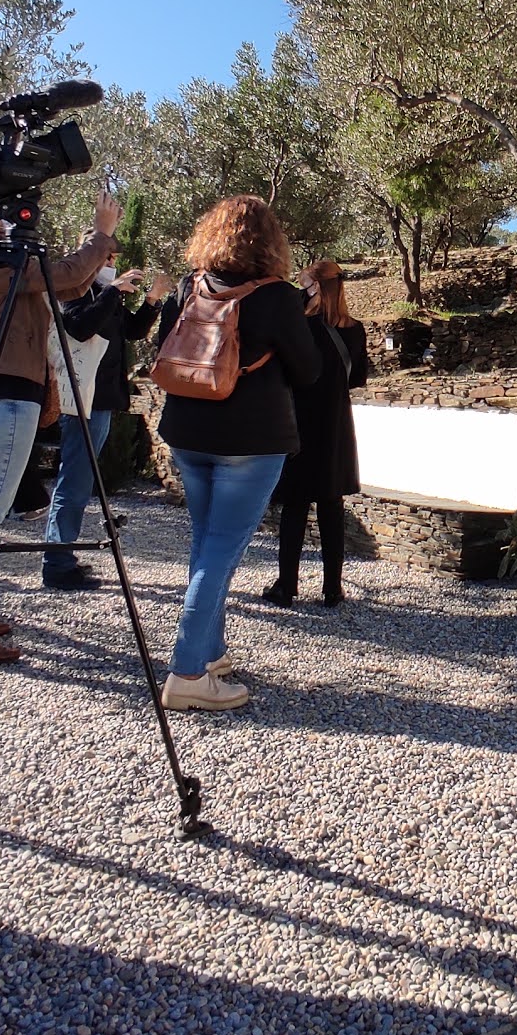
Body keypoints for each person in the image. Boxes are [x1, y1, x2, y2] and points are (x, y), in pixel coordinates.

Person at [0, 188, 119, 659]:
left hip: (8, 388)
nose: (6, 211)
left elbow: (64, 284)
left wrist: (96, 263)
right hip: (10, 390)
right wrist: (100, 234)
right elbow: (65, 274)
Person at [152, 196, 319, 710]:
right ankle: (185, 673)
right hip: (251, 440)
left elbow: (165, 347)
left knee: (206, 544)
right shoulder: (279, 297)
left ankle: (211, 653)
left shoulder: (188, 286)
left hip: (187, 431)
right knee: (221, 550)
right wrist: (301, 316)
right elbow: (308, 372)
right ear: (272, 243)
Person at [44, 265, 172, 579]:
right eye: (106, 254)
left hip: (99, 399)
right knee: (74, 479)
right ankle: (57, 564)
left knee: (79, 477)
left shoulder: (101, 293)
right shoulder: (74, 291)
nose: (113, 260)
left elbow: (131, 330)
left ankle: (62, 557)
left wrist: (152, 299)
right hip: (80, 399)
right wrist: (112, 290)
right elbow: (80, 327)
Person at [264, 260, 370, 608]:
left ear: (314, 287)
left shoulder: (302, 327)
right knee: (331, 507)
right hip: (336, 424)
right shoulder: (355, 329)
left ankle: (287, 586)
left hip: (299, 422)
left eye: (303, 283)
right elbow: (357, 379)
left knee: (295, 507)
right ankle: (332, 589)